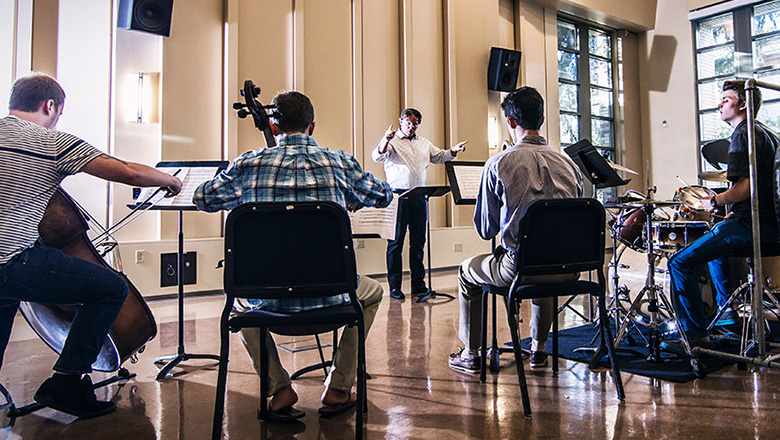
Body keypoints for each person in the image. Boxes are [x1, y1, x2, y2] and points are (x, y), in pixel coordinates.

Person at [193, 91, 393, 421]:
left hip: (267, 302)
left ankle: (278, 388)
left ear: (273, 124)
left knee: (239, 300)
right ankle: (340, 387)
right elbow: (384, 195)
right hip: (333, 297)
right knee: (372, 293)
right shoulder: (340, 162)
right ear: (311, 126)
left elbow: (203, 198)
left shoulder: (247, 164)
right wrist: (348, 197)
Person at [0, 72, 182, 419]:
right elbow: (126, 171)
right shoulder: (51, 143)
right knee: (110, 288)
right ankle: (66, 382)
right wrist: (168, 179)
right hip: (10, 260)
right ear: (49, 105)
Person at [447, 87, 582, 374]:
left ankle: (471, 354)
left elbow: (486, 229)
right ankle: (539, 349)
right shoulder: (571, 166)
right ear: (542, 118)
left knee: (466, 271)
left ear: (510, 122)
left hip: (519, 268)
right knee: (545, 258)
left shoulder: (498, 163)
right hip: (569, 268)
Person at [667, 80, 780, 349]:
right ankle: (727, 316)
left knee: (679, 262)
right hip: (770, 224)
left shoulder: (743, 133)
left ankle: (694, 335)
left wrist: (715, 201)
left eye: (726, 99)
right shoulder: (767, 133)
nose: (719, 104)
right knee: (715, 240)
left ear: (743, 104)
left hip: (752, 225)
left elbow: (745, 188)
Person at [372, 108, 467, 300]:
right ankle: (395, 287)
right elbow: (378, 156)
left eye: (415, 124)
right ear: (401, 122)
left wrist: (453, 151)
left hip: (419, 198)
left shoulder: (424, 143)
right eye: (408, 123)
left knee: (418, 244)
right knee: (395, 243)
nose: (411, 126)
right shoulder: (392, 142)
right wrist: (386, 139)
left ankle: (418, 285)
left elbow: (439, 156)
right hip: (398, 198)